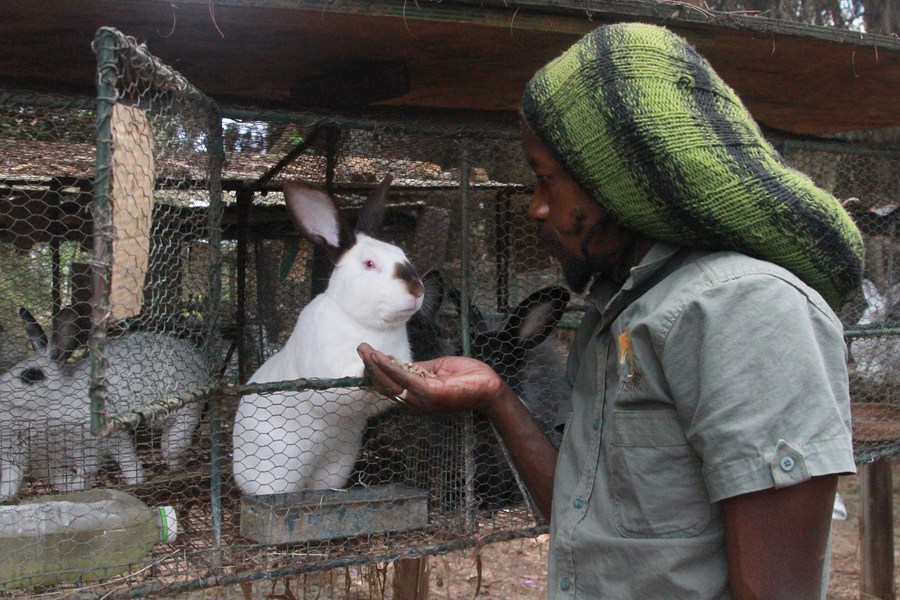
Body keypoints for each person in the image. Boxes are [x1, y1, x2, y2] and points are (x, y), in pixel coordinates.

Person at [358, 23, 863, 599]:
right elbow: (587, 522)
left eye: (548, 180)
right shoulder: (623, 309)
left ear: (622, 181)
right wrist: (497, 398)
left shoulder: (742, 307)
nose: (537, 208)